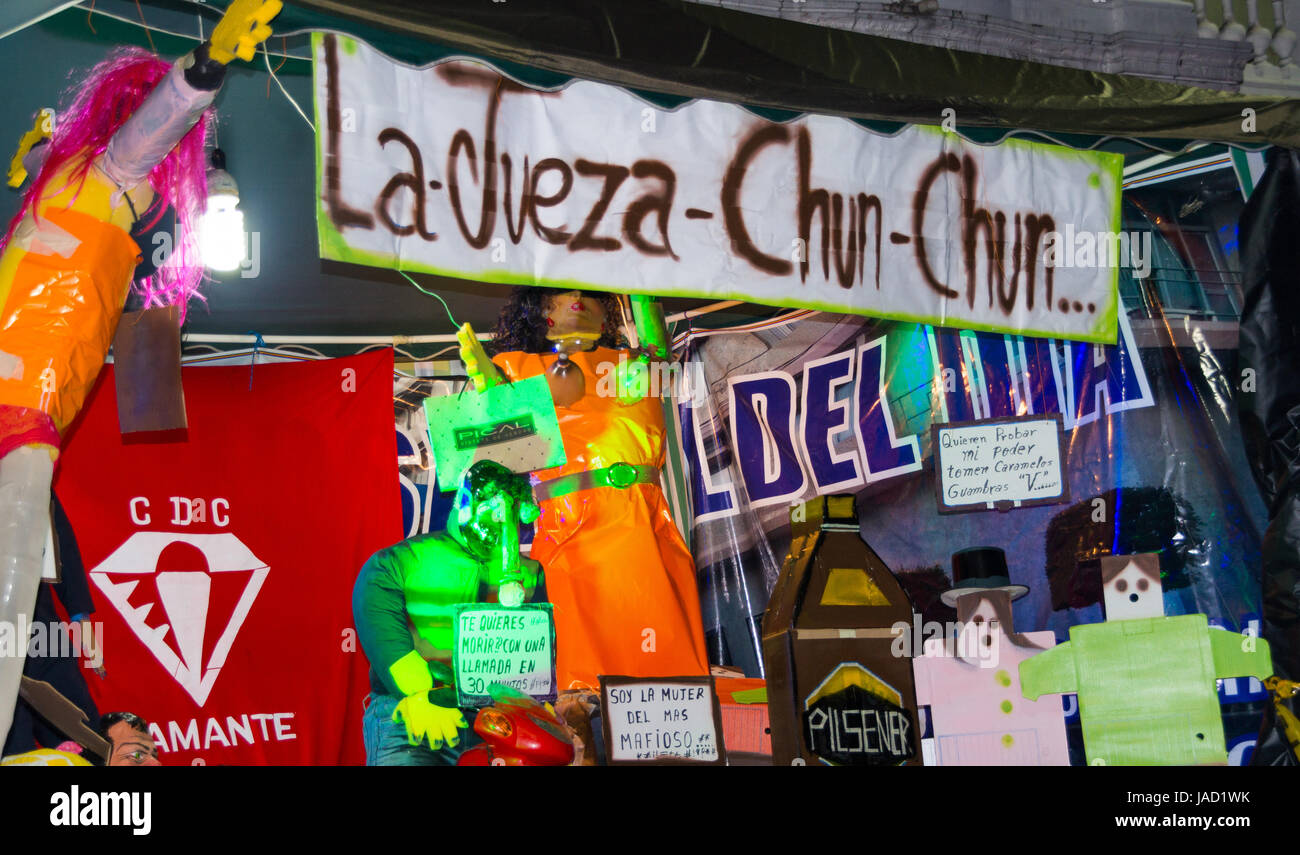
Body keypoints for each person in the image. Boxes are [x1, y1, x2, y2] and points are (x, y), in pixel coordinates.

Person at [0, 0, 281, 751]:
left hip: (23, 410)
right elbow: (154, 124)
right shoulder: (108, 176)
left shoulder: (63, 185)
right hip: (19, 413)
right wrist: (207, 69)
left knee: (19, 593)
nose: (158, 190)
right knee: (10, 592)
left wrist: (35, 156)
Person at [457, 287, 709, 695]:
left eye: (591, 290)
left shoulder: (631, 363)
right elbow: (496, 482)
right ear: (538, 308)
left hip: (642, 526)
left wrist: (644, 284)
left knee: (665, 666)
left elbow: (655, 349)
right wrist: (492, 399)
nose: (577, 296)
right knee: (584, 674)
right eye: (560, 290)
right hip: (568, 534)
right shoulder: (514, 368)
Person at [352, 460, 543, 765]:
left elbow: (534, 653)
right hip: (412, 713)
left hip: (496, 721)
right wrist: (419, 692)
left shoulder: (529, 573)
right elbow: (381, 626)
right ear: (463, 502)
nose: (500, 522)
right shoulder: (401, 562)